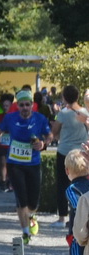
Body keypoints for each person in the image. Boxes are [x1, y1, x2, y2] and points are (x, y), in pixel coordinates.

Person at [0, 90, 52, 239]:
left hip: (33, 163)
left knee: (33, 202)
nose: (25, 108)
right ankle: (25, 232)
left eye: (27, 104)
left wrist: (43, 144)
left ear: (32, 105)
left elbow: (50, 135)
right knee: (21, 199)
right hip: (14, 163)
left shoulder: (40, 119)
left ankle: (32, 216)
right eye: (21, 105)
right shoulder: (10, 118)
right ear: (18, 106)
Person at [51, 87, 88, 223]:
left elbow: (54, 131)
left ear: (64, 97)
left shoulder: (63, 114)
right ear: (78, 97)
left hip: (65, 152)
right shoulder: (85, 112)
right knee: (82, 185)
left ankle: (62, 217)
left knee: (62, 185)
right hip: (82, 153)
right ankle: (80, 216)